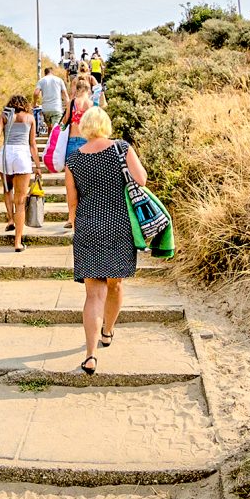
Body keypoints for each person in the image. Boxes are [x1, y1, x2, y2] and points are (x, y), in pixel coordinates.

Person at [62, 106, 148, 375]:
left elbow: (72, 203)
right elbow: (141, 180)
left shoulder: (73, 160)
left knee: (93, 294)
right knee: (115, 284)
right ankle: (108, 331)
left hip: (88, 226)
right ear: (106, 125)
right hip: (119, 224)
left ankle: (90, 355)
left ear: (85, 127)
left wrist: (80, 228)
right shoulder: (121, 148)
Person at [0, 94, 40, 251]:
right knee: (20, 201)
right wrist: (38, 166)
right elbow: (32, 144)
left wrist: (1, 119)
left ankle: (10, 219)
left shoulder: (5, 117)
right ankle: (18, 242)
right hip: (22, 155)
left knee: (7, 189)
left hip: (6, 154)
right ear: (25, 105)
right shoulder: (30, 118)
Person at [35, 67, 66, 136]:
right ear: (52, 72)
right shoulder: (59, 80)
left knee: (49, 127)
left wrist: (34, 103)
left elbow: (36, 93)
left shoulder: (41, 80)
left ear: (45, 73)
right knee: (56, 129)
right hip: (56, 108)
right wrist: (68, 105)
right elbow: (65, 94)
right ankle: (55, 145)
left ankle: (49, 144)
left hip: (46, 109)